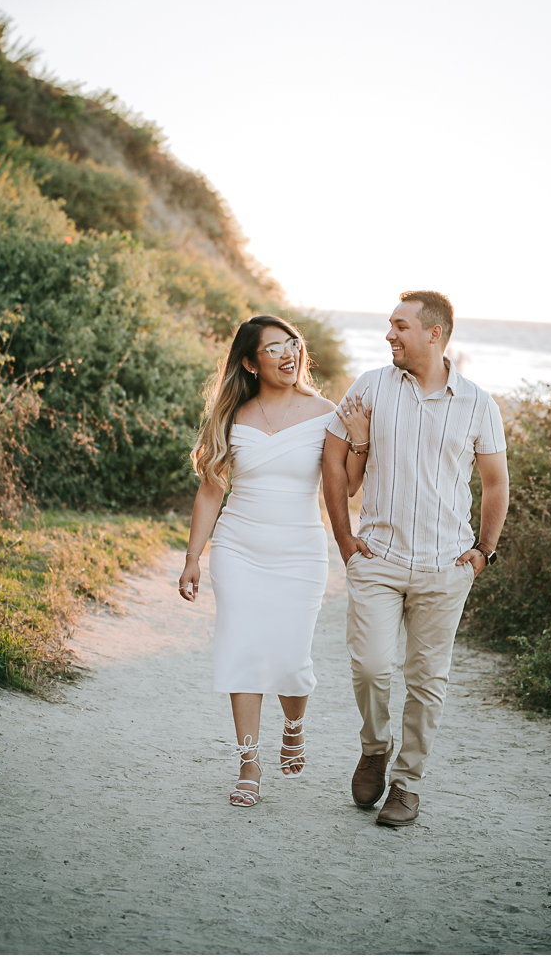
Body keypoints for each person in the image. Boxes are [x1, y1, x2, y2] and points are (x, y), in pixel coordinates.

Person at [323, 291, 509, 828]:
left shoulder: (478, 403)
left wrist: (482, 553)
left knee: (427, 681)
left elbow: (496, 484)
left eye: (400, 326)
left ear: (435, 333)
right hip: (377, 559)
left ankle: (406, 784)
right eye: (389, 326)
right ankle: (374, 747)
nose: (390, 335)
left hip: (444, 567)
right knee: (371, 666)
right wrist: (343, 540)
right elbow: (334, 463)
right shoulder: (370, 387)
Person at [178, 315, 364, 808]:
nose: (288, 355)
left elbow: (344, 487)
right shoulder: (232, 416)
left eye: (293, 344)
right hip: (238, 548)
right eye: (274, 348)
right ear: (249, 361)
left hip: (300, 551)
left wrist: (360, 440)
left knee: (290, 658)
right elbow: (210, 490)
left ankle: (295, 725)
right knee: (244, 650)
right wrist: (194, 556)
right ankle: (249, 762)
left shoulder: (329, 413)